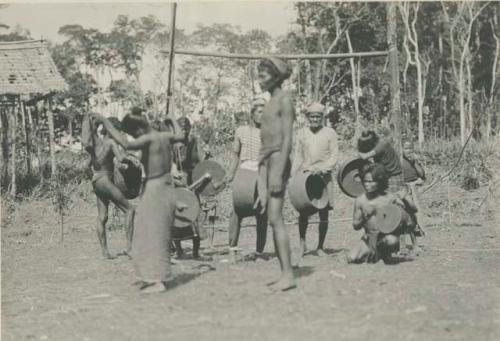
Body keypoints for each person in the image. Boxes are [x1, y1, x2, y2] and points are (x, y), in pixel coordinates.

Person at [92, 111, 185, 294]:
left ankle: (158, 280)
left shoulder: (149, 138)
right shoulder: (164, 135)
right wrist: (171, 119)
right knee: (151, 230)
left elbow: (125, 143)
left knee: (150, 233)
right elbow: (181, 135)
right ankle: (153, 276)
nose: (135, 137)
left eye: (134, 133)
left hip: (156, 187)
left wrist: (105, 121)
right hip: (166, 185)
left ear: (140, 128)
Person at [254, 56, 296, 291]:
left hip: (279, 159)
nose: (260, 79)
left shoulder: (284, 100)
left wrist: (278, 173)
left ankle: (288, 275)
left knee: (275, 218)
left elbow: (288, 138)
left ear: (277, 75)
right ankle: (285, 273)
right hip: (269, 159)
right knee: (272, 218)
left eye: (264, 75)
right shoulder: (269, 101)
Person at [83, 114, 135, 260]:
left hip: (97, 180)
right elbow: (121, 160)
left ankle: (105, 252)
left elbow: (86, 166)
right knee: (130, 210)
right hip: (106, 180)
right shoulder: (111, 143)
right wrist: (128, 162)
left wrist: (93, 179)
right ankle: (130, 249)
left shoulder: (96, 145)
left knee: (102, 216)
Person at [291, 102, 339, 259]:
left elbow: (334, 156)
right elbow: (298, 155)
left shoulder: (330, 133)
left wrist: (322, 168)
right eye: (312, 116)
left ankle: (320, 246)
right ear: (307, 117)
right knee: (303, 212)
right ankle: (302, 244)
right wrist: (293, 175)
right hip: (305, 176)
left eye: (318, 116)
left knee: (323, 213)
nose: (315, 119)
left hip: (323, 177)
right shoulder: (301, 133)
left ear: (322, 117)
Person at [226, 98, 268, 262]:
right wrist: (230, 173)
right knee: (236, 211)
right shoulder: (241, 131)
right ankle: (232, 250)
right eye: (259, 112)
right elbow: (236, 155)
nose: (262, 115)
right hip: (243, 172)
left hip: (261, 172)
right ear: (252, 114)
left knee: (262, 212)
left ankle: (259, 252)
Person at [347, 163, 415, 264]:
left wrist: (405, 202)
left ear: (379, 181)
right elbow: (356, 226)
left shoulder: (390, 198)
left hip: (385, 238)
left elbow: (409, 222)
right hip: (368, 238)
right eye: (365, 181)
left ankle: (384, 254)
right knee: (352, 258)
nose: (367, 184)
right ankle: (374, 253)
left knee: (391, 241)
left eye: (371, 182)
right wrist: (366, 217)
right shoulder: (360, 200)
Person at [172, 117, 203, 259]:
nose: (184, 131)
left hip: (192, 182)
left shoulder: (193, 142)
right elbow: (168, 166)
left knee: (194, 213)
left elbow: (198, 162)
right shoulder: (171, 144)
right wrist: (175, 176)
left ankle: (196, 251)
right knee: (176, 217)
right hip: (176, 183)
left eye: (186, 128)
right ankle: (178, 250)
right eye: (181, 128)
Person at [357, 130, 406, 197]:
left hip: (394, 175)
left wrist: (358, 152)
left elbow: (364, 157)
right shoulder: (377, 143)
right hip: (386, 174)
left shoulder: (382, 145)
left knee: (394, 198)